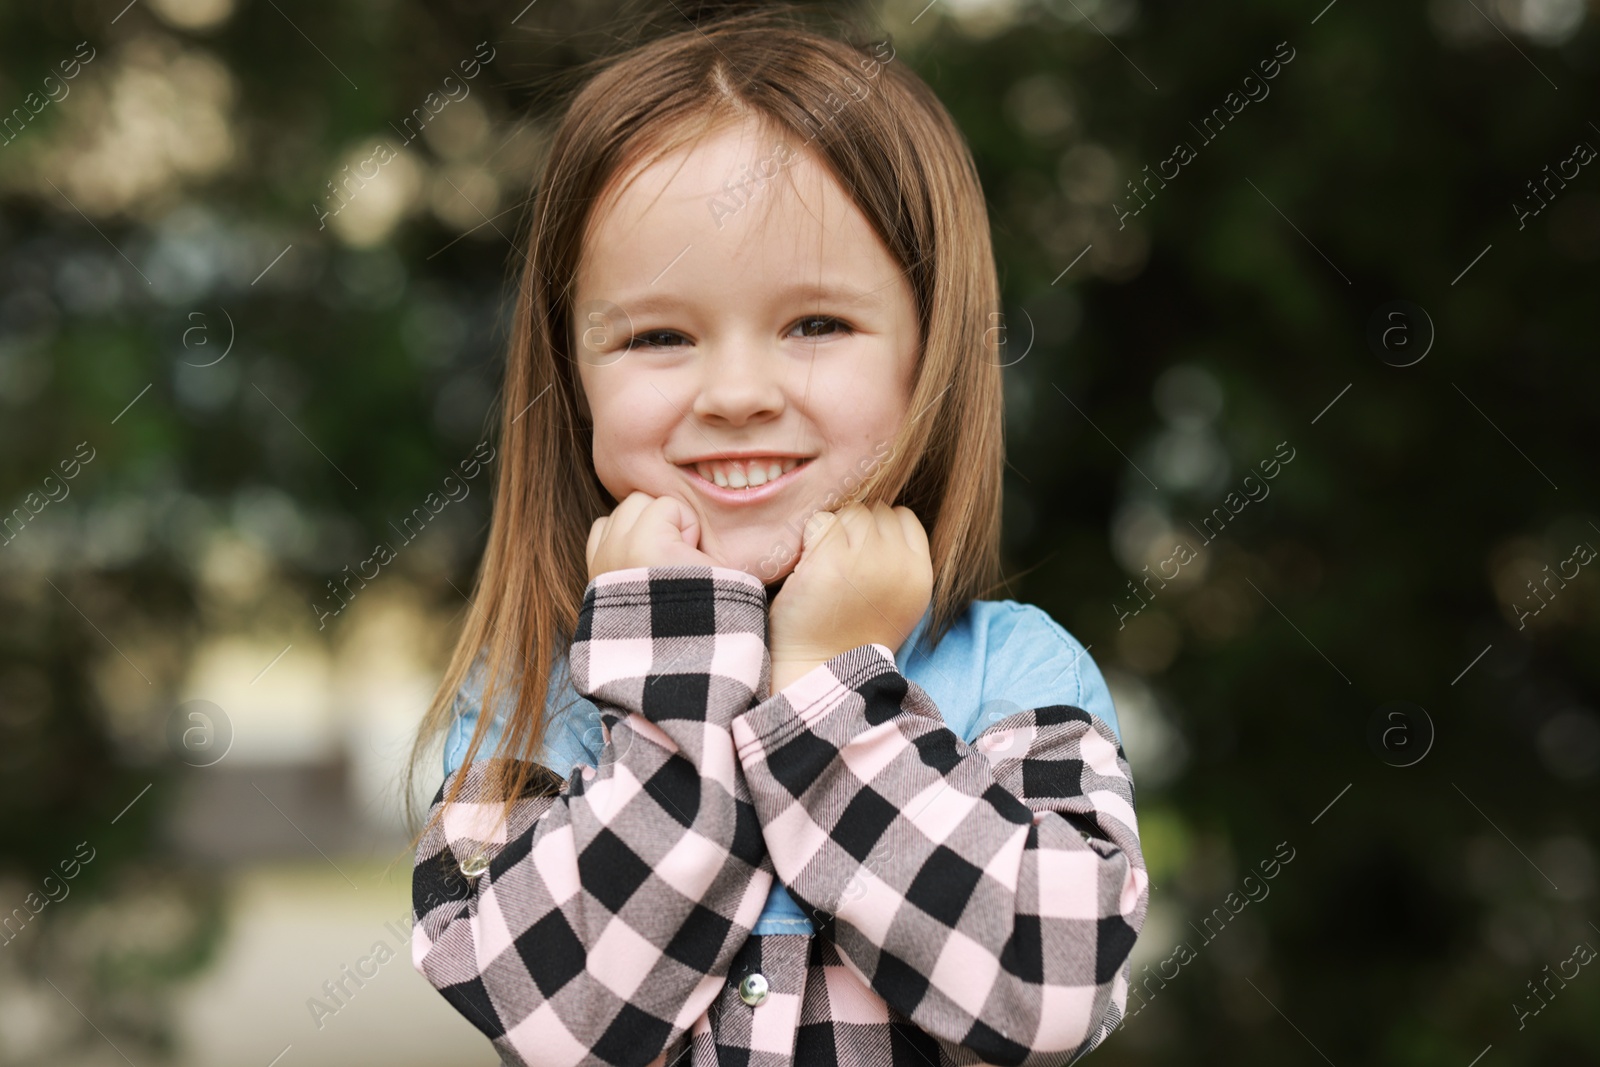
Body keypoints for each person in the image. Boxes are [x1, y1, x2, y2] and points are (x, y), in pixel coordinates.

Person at [404, 9, 1148, 1064]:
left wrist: (827, 693)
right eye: (658, 335)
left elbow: (1053, 986)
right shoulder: (529, 697)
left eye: (815, 324)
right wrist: (673, 676)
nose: (739, 393)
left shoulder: (1013, 673)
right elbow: (558, 1016)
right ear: (571, 377)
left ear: (926, 352)